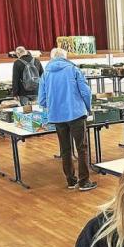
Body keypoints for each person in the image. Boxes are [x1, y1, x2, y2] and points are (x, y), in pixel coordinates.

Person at [38, 48, 96, 191]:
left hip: (57, 116)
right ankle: (84, 181)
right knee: (81, 148)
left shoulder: (46, 73)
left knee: (65, 149)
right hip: (76, 113)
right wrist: (88, 108)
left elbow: (42, 99)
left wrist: (53, 105)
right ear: (65, 57)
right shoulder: (73, 69)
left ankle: (70, 180)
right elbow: (85, 91)